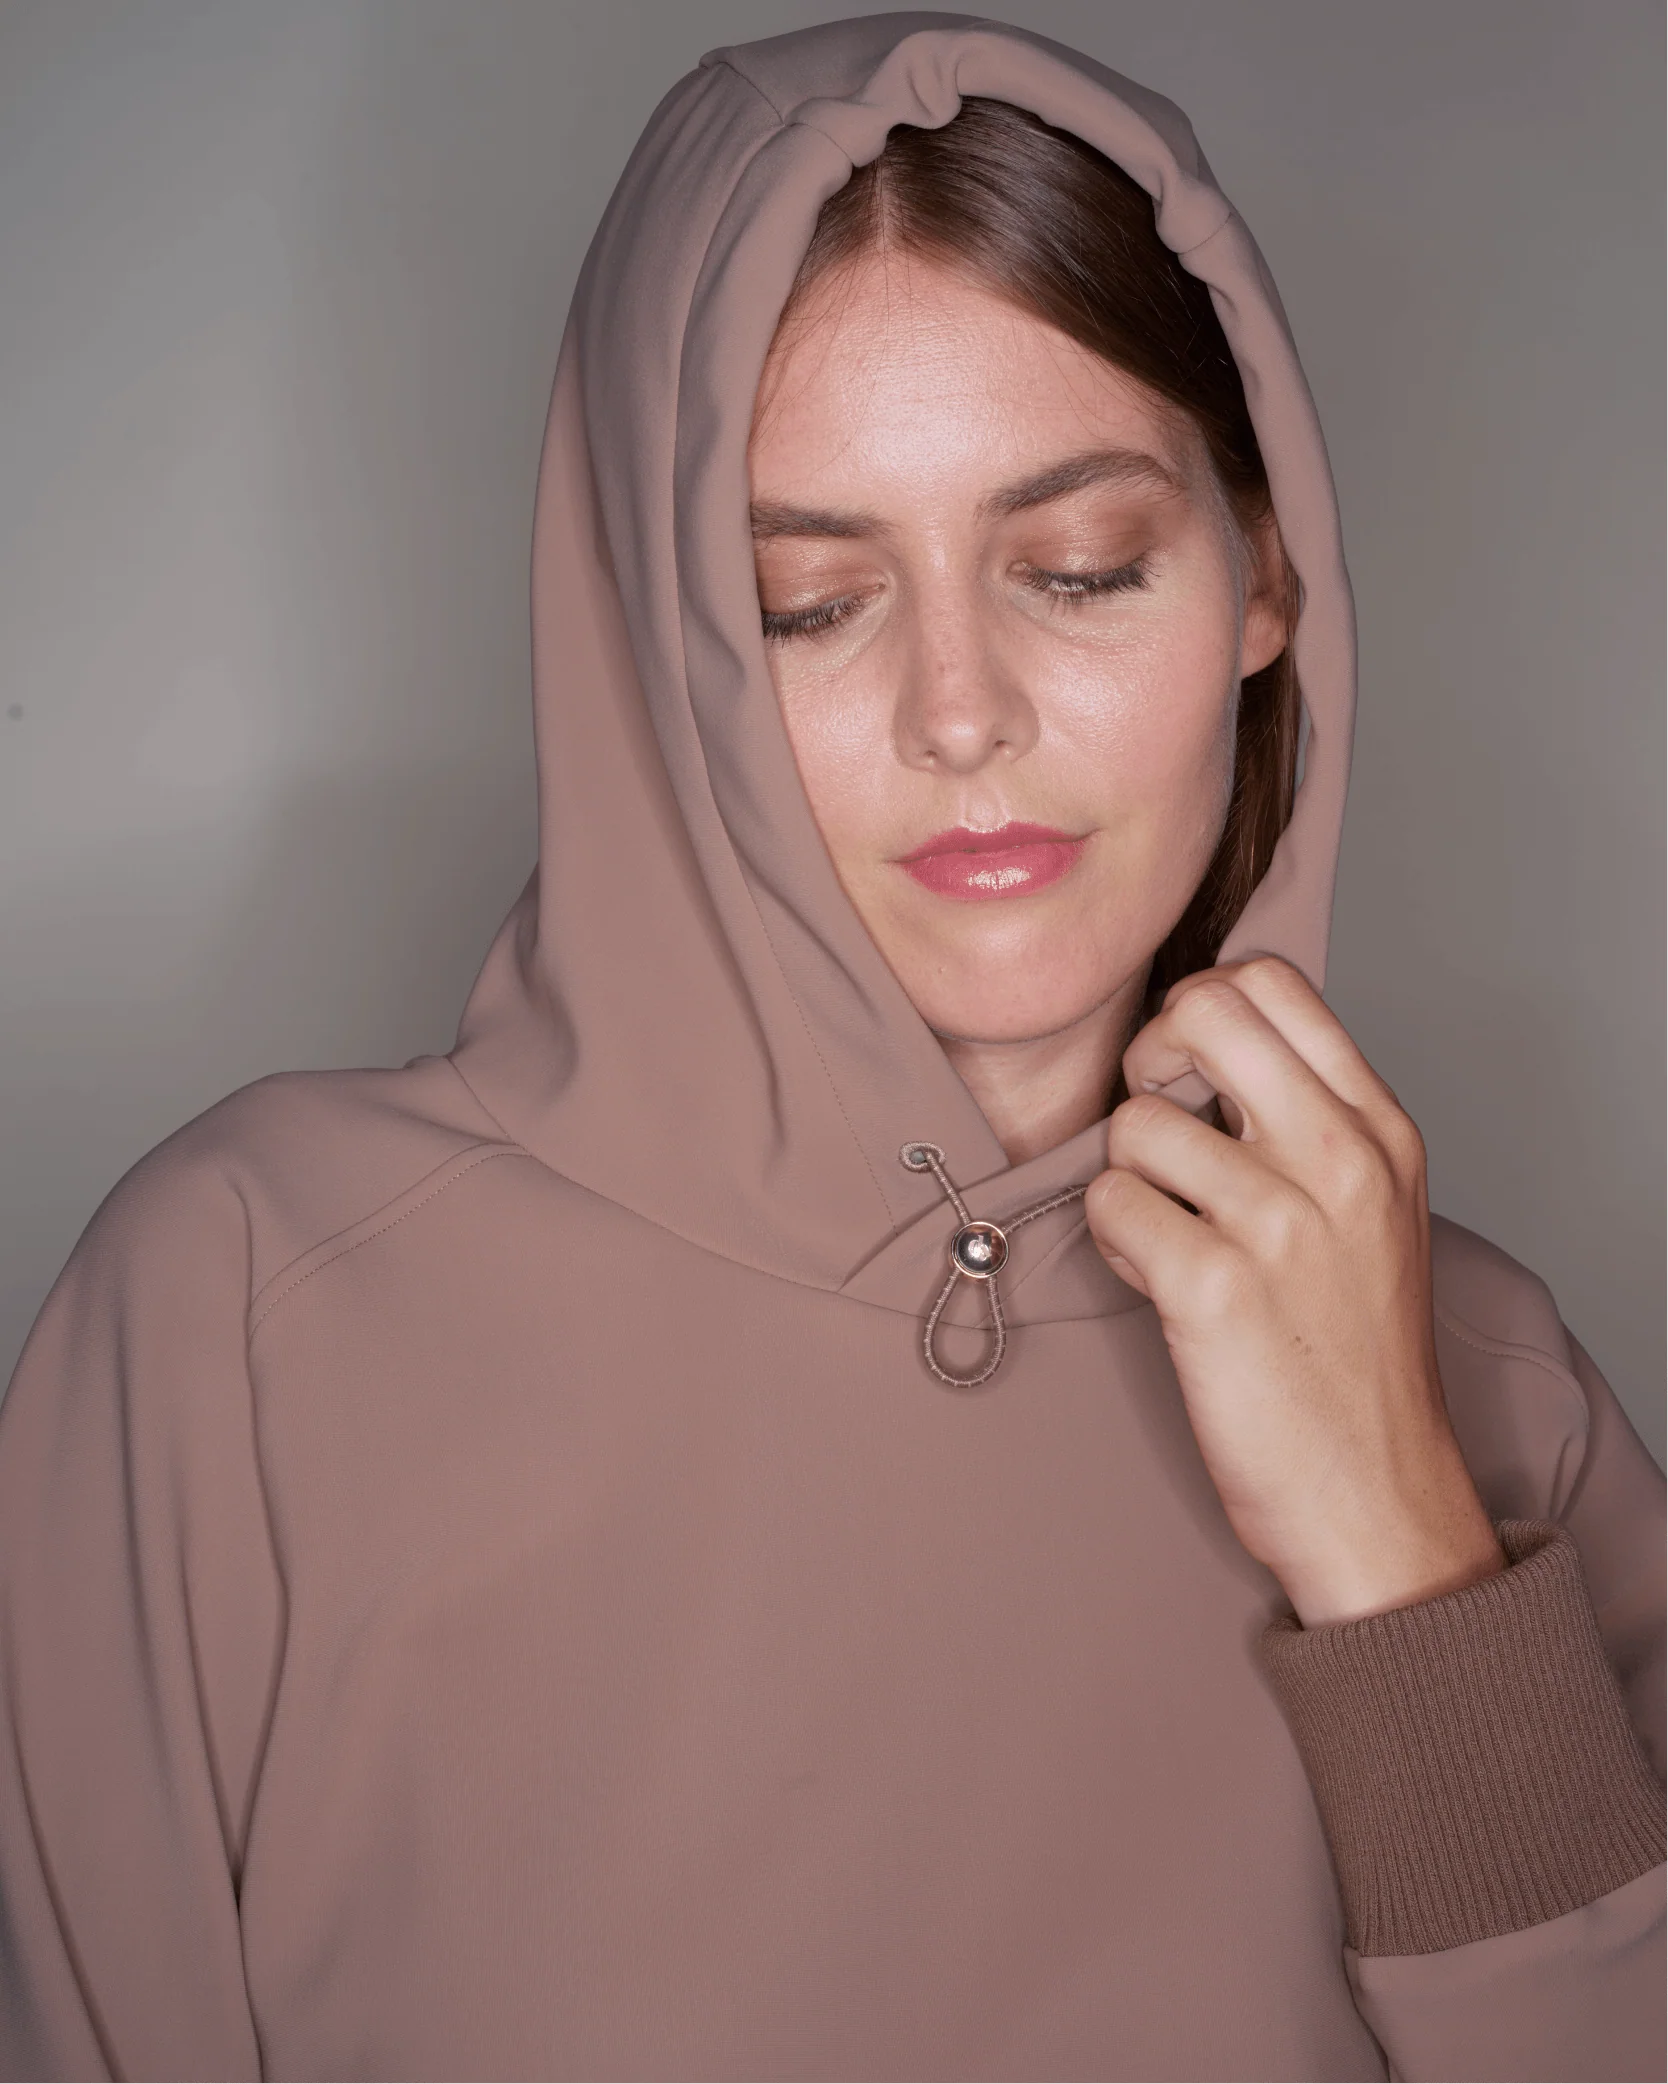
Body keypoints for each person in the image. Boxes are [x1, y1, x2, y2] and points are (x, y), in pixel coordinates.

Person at [0, 15, 1661, 2082]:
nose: (961, 712)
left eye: (1078, 569)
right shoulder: (242, 1324)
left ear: (1267, 581)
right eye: (805, 605)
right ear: (652, 651)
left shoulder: (1492, 1394)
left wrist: (1409, 1566)